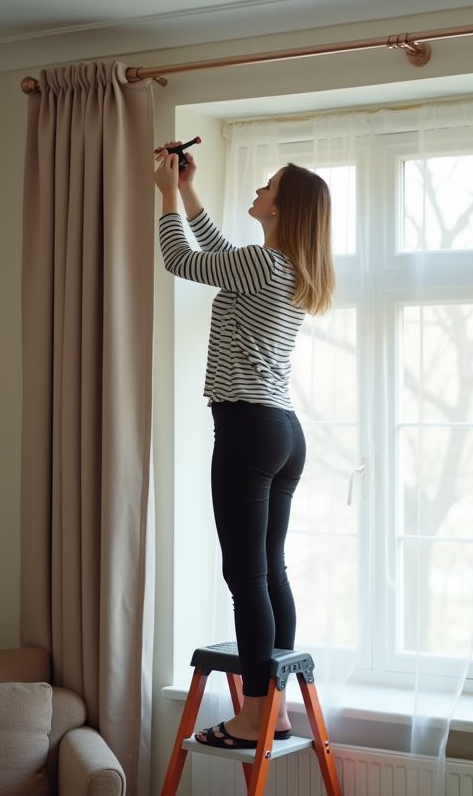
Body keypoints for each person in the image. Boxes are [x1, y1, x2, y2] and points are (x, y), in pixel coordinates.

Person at [153, 141, 335, 749]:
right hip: (283, 432)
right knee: (269, 571)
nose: (258, 190)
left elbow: (181, 257)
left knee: (245, 576)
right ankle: (275, 710)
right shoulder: (283, 267)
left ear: (282, 209)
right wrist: (185, 188)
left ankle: (254, 713)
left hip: (247, 429)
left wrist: (165, 196)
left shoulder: (264, 265)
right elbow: (221, 254)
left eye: (267, 186)